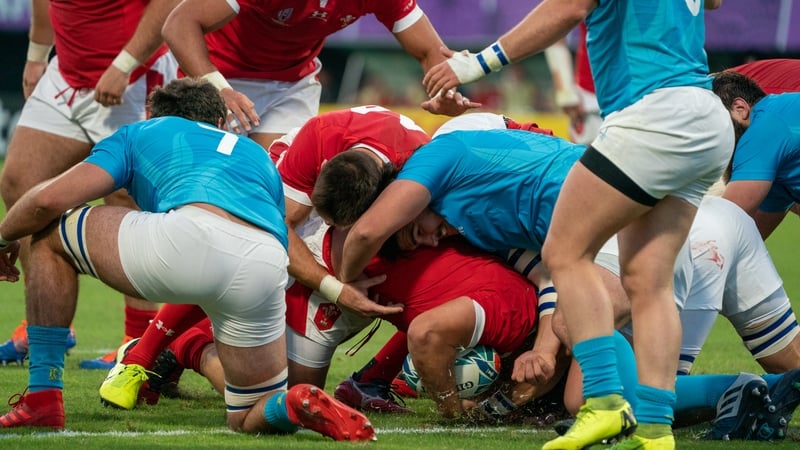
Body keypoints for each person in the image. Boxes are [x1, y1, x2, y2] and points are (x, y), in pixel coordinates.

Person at [422, 1, 734, 448]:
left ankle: (604, 404)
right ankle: (655, 430)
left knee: (564, 252)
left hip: (652, 112)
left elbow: (567, 8)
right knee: (649, 283)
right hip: (705, 113)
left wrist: (472, 65)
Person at [0, 78, 375, 441]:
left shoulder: (143, 131)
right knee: (248, 414)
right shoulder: (256, 155)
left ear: (154, 114)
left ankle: (42, 398)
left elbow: (45, 201)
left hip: (186, 239)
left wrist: (4, 239)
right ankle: (290, 404)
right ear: (220, 122)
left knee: (49, 233)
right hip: (265, 265)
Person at [0, 0, 183, 370]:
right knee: (20, 182)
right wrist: (37, 55)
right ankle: (45, 324)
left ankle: (140, 343)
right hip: (66, 73)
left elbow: (167, 4)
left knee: (127, 198)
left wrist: (123, 65)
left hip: (134, 75)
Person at [160, 0, 478, 152]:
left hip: (292, 86)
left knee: (279, 194)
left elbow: (429, 51)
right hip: (220, 78)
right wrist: (218, 89)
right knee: (200, 194)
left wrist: (445, 91)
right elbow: (178, 24)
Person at [712, 70, 800, 240]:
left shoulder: (764, 127)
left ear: (740, 108)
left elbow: (723, 222)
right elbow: (742, 240)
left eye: (711, 120)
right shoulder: (776, 171)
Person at [543, 24, 600, 145]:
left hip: (642, 94)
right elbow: (554, 23)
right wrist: (566, 92)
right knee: (587, 161)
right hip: (590, 100)